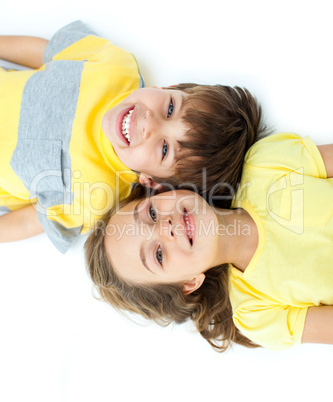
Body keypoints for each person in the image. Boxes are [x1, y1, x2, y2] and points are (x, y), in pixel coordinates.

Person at [0, 21, 264, 253]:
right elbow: (48, 52)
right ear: (167, 88)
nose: (150, 123)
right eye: (170, 108)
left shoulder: (96, 199)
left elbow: (29, 220)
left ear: (150, 181)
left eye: (164, 149)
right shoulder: (116, 67)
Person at [85, 133, 333, 351]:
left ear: (161, 192)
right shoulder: (255, 314)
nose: (165, 227)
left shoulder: (263, 164)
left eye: (151, 214)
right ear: (189, 283)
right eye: (158, 255)